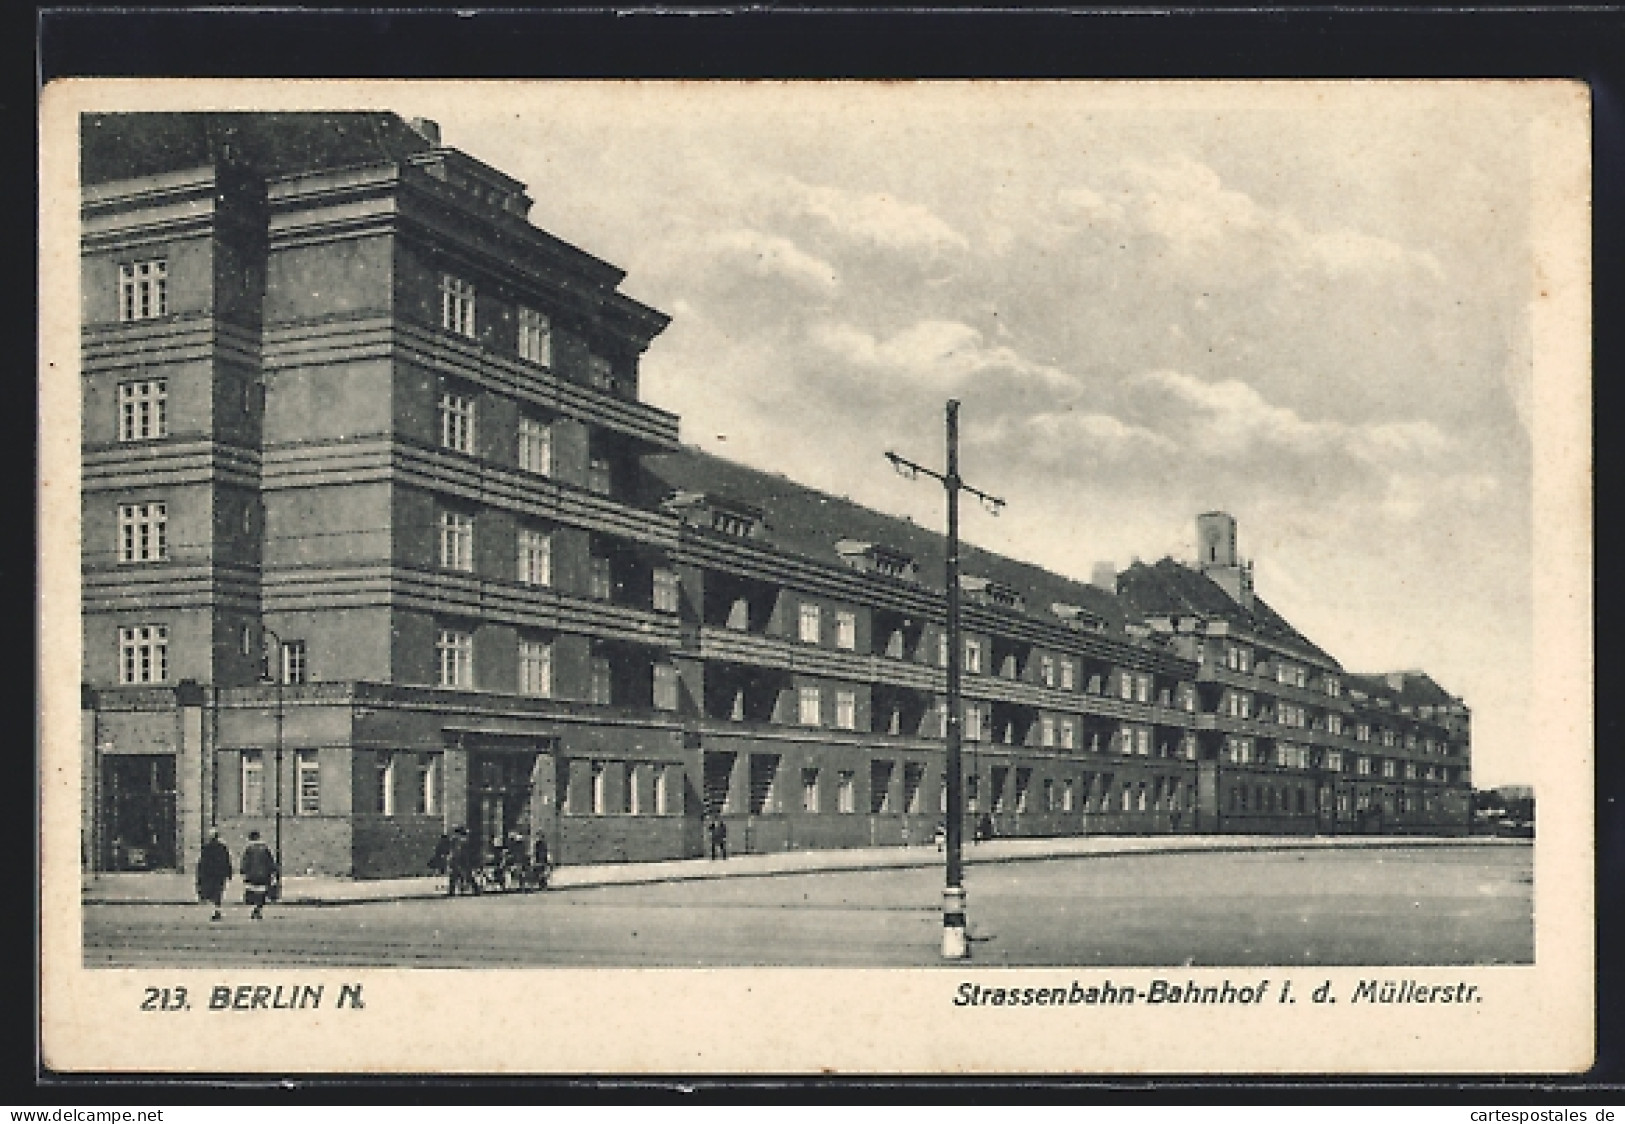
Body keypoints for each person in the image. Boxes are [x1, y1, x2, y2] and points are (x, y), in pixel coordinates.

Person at [239, 830, 277, 920]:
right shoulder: (265, 848)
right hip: (264, 874)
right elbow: (270, 862)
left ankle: (254, 908)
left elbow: (245, 862)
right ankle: (258, 908)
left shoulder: (249, 849)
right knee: (262, 892)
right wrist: (272, 872)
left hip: (252, 874)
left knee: (253, 891)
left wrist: (243, 872)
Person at [195, 830, 232, 921]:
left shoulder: (207, 848)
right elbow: (226, 861)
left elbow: (202, 862)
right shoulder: (222, 847)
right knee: (218, 892)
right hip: (219, 874)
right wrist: (229, 873)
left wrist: (199, 874)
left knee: (211, 891)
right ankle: (216, 909)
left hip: (209, 874)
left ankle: (215, 910)